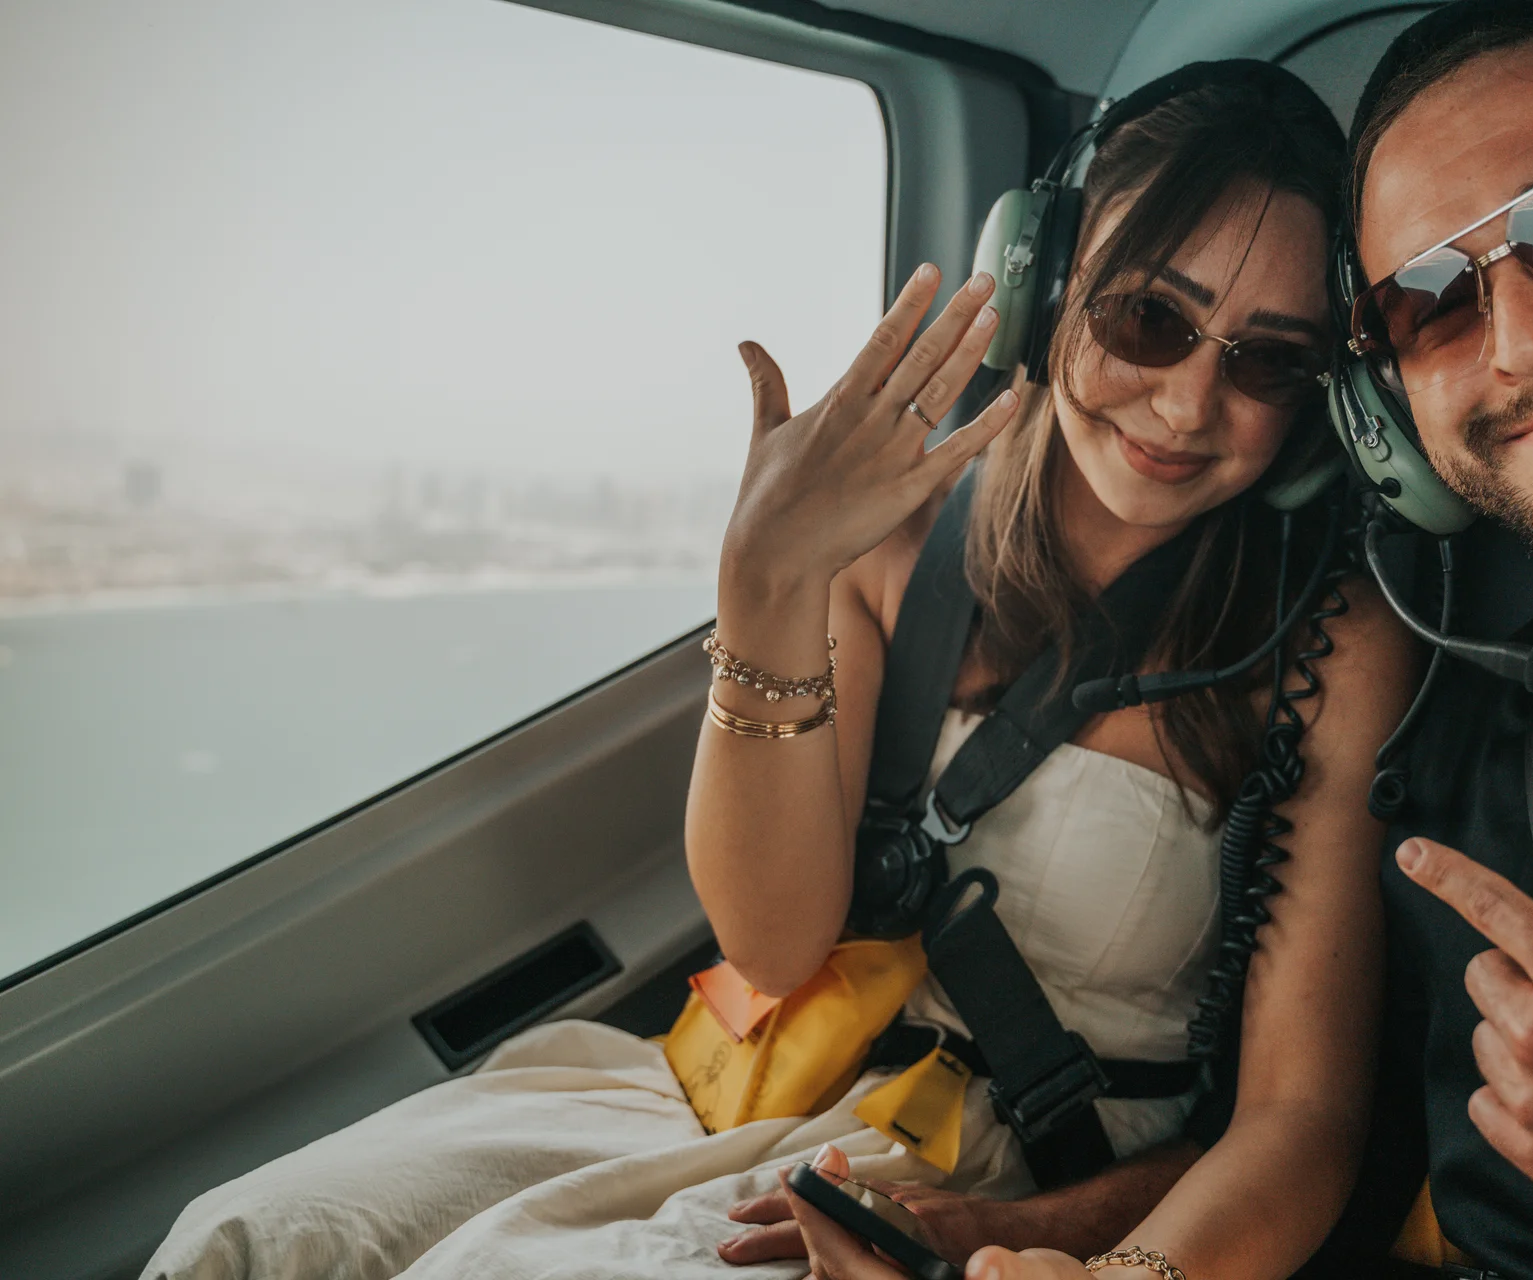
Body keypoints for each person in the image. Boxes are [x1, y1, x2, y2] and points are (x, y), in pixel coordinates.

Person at [144, 64, 1416, 1280]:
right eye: (1149, 317)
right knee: (252, 1231)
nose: (1190, 404)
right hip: (719, 1085)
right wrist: (765, 583)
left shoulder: (1327, 633)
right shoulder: (897, 526)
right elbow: (772, 935)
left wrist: (1058, 1245)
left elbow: (1301, 1121)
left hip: (1023, 1170)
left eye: (1267, 361)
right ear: (1041, 284)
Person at [799, 3, 1533, 1279]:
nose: (1520, 337)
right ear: (1382, 411)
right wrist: (1061, 1252)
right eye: (1433, 300)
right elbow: (1344, 1158)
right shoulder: (1451, 762)